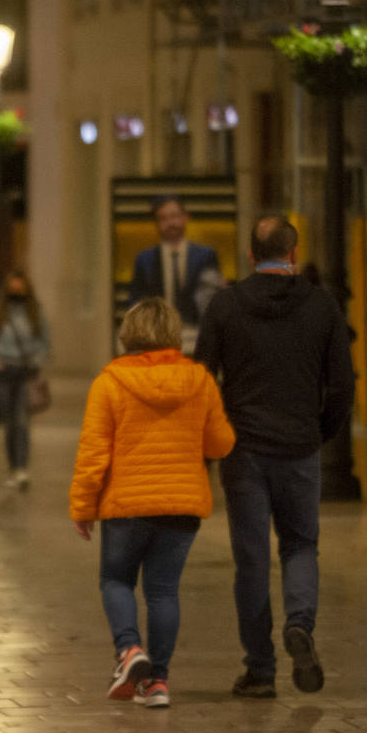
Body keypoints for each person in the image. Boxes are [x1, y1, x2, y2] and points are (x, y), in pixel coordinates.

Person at [194, 215, 355, 698]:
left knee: (251, 559)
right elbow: (344, 382)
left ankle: (260, 670)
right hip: (300, 447)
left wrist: (216, 436)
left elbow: (203, 377)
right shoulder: (322, 306)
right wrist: (323, 430)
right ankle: (299, 624)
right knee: (301, 544)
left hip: (244, 451)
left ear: (249, 255)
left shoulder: (225, 305)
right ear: (293, 253)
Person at [70, 298, 235, 708]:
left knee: (116, 580)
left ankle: (129, 650)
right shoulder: (200, 380)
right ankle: (157, 682)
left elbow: (93, 453)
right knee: (163, 592)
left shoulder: (109, 383)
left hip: (127, 506)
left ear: (128, 333)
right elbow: (220, 443)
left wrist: (82, 506)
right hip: (181, 505)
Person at [0, 270, 49, 490]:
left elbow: (43, 342)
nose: (16, 292)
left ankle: (21, 468)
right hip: (3, 371)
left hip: (25, 372)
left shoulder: (35, 312)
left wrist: (36, 361)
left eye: (20, 288)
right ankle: (12, 466)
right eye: (13, 288)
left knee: (22, 421)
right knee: (9, 423)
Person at [128, 196, 221, 350]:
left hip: (196, 335)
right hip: (155, 338)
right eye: (163, 218)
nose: (170, 223)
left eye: (175, 216)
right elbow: (136, 302)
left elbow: (213, 301)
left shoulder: (206, 255)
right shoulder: (144, 259)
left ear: (185, 217)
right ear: (156, 223)